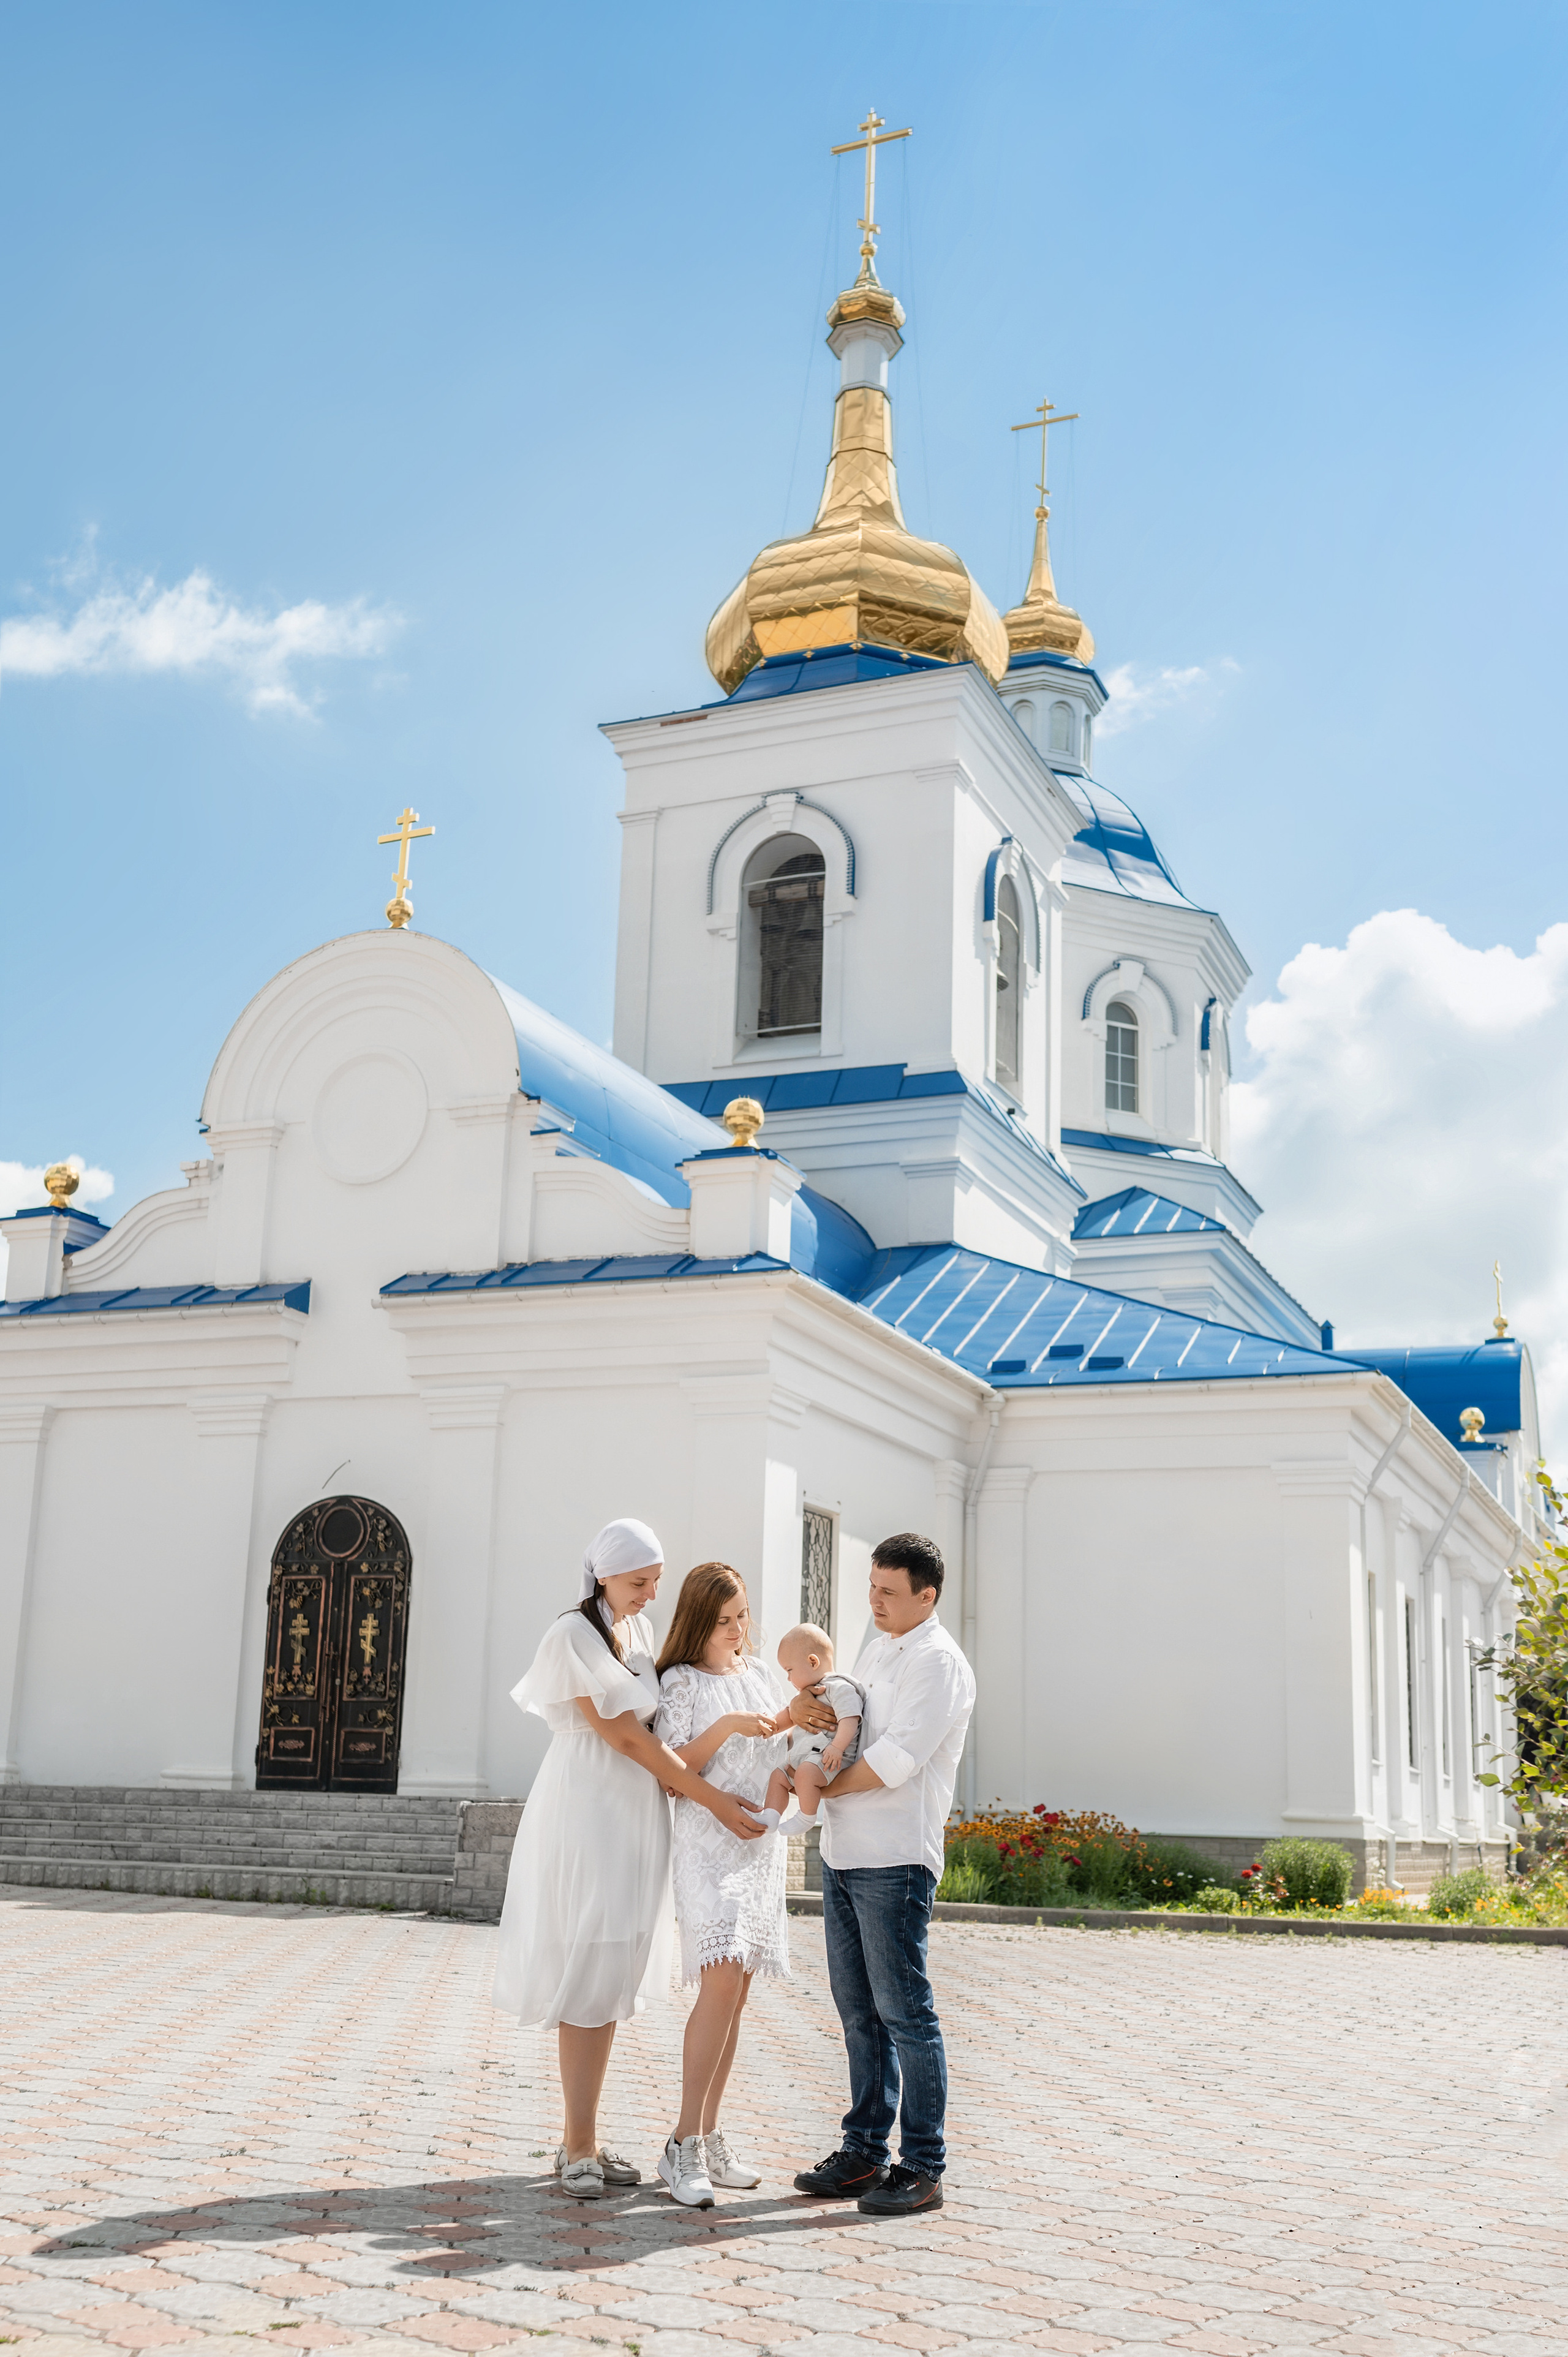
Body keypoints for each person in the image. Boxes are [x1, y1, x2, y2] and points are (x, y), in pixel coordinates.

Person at [491, 1518, 764, 2201]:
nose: (651, 1594)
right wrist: (711, 1797)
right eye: (640, 1581)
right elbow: (625, 1738)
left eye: (656, 1581)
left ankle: (580, 2136)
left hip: (635, 1814)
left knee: (611, 1968)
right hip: (589, 1809)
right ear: (605, 1573)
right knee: (588, 1965)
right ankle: (578, 2145)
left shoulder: (634, 1632)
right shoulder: (572, 1634)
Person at [789, 1531, 976, 2217]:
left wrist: (820, 1788)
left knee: (906, 2014)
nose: (875, 1600)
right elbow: (849, 1725)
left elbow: (897, 1758)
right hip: (843, 1853)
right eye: (871, 1587)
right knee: (858, 2013)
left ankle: (922, 2165)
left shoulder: (939, 1662)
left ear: (928, 1595)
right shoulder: (876, 1648)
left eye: (889, 1592)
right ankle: (864, 2151)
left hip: (895, 1859)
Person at [653, 1561, 792, 2208]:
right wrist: (731, 1724)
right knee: (721, 1977)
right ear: (697, 1622)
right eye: (723, 1621)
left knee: (736, 1991)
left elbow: (784, 1754)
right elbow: (670, 1769)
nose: (737, 1630)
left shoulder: (760, 1673)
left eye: (742, 1617)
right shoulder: (680, 1680)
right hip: (705, 1845)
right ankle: (681, 2143)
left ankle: (708, 2137)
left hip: (758, 1845)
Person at [753, 1623, 865, 1832]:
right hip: (807, 1755)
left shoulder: (841, 1688)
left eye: (790, 1670)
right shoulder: (811, 1692)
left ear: (813, 1662)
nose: (788, 1678)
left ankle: (806, 1817)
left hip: (830, 1757)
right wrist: (772, 1725)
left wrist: (838, 1747)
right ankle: (770, 1816)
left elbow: (850, 1718)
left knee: (805, 1774)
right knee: (779, 1775)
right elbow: (791, 1715)